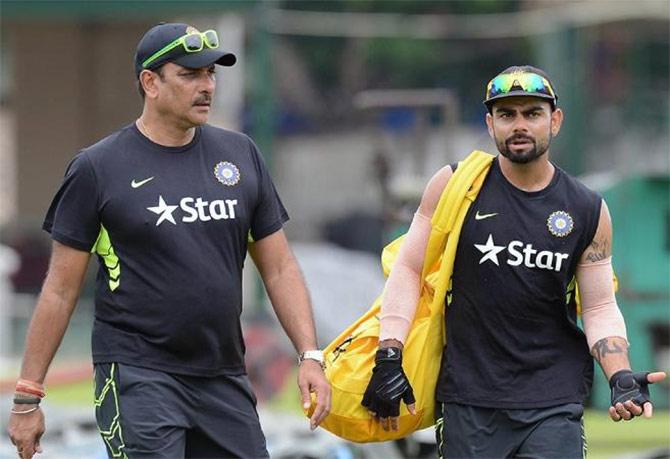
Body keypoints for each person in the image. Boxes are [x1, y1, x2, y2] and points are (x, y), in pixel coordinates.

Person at [7, 22, 330, 459]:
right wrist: (28, 396)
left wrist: (310, 354)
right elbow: (60, 290)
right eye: (190, 75)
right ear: (150, 82)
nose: (207, 86)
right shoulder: (97, 168)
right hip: (138, 376)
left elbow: (279, 267)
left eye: (211, 74)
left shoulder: (240, 155)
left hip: (223, 376)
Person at [361, 65, 667, 457]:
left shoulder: (587, 208)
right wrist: (389, 353)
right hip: (469, 400)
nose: (519, 124)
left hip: (554, 401)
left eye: (532, 113)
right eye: (507, 114)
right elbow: (408, 269)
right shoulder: (456, 186)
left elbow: (599, 304)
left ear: (554, 121)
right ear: (490, 124)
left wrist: (620, 374)